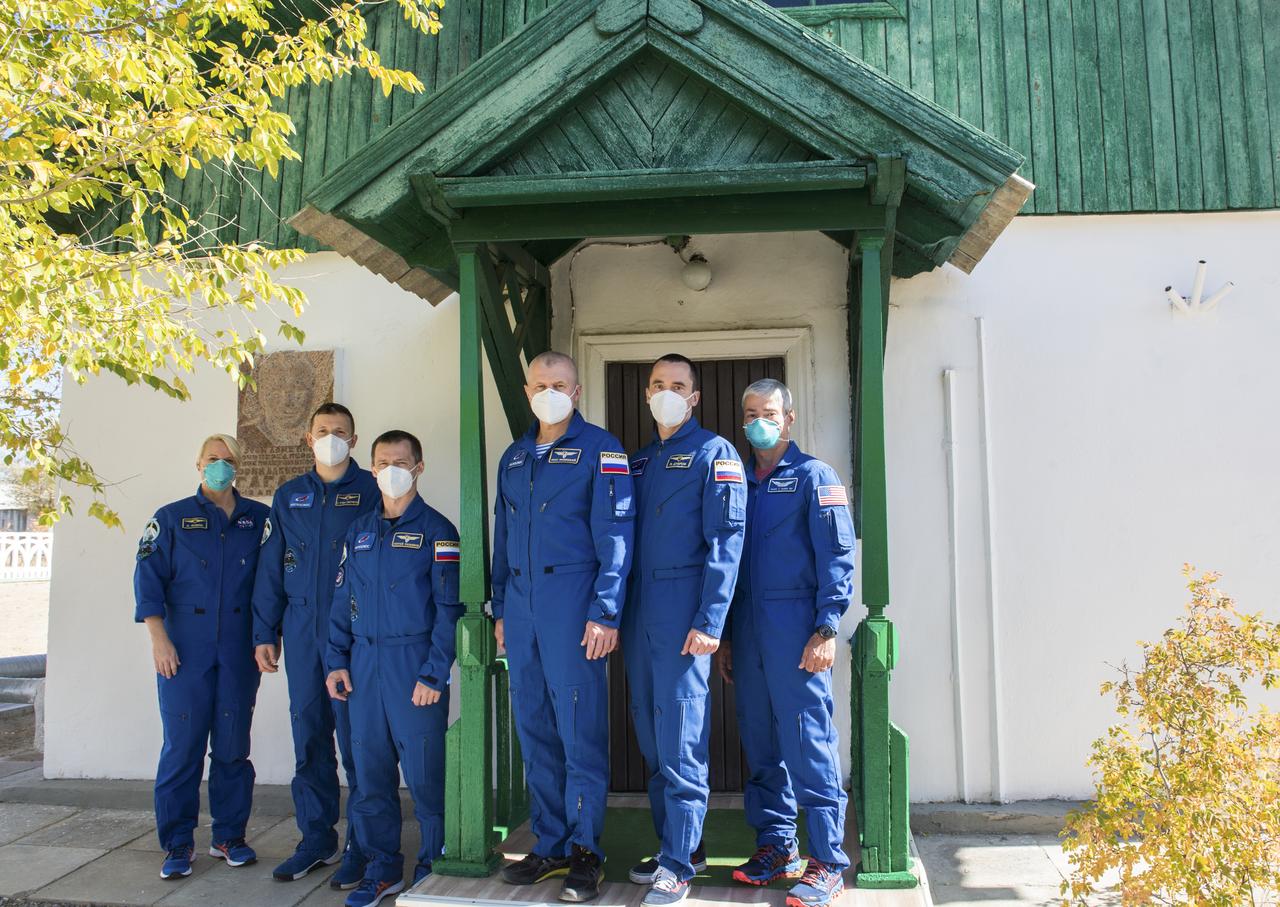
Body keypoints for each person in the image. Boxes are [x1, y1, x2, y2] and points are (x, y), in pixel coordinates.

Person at [491, 351, 635, 903]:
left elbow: (616, 537)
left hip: (575, 605)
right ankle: (550, 842)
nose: (549, 392)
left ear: (576, 393)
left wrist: (605, 611)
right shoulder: (514, 457)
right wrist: (502, 608)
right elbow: (503, 540)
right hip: (523, 608)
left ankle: (584, 851)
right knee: (536, 729)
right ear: (528, 391)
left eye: (559, 384)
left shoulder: (602, 450)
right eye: (540, 384)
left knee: (579, 734)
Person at [717, 379, 854, 907]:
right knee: (760, 742)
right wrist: (728, 638)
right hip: (748, 630)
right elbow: (730, 567)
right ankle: (778, 847)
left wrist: (826, 627)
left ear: (789, 417)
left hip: (798, 629)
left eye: (769, 412)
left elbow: (837, 558)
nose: (759, 421)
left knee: (808, 742)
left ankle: (827, 863)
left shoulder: (815, 478)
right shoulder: (737, 481)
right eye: (751, 412)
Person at [624, 353, 747, 906]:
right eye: (657, 384)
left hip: (683, 621)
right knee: (652, 742)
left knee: (680, 741)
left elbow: (727, 543)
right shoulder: (639, 462)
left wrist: (710, 621)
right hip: (638, 621)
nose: (666, 392)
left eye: (677, 385)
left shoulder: (714, 454)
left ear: (695, 397)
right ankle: (679, 845)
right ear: (646, 394)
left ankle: (679, 864)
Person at [325, 430, 463, 907]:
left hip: (413, 667)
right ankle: (383, 868)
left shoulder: (439, 531)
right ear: (371, 466)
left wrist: (435, 672)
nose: (391, 470)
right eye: (382, 462)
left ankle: (430, 865)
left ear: (418, 467)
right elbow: (344, 600)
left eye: (400, 462)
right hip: (363, 667)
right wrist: (335, 660)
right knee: (370, 775)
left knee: (425, 777)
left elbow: (450, 610)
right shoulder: (359, 531)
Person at [252, 403, 379, 887]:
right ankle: (316, 838)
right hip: (303, 631)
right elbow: (270, 568)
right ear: (308, 439)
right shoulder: (288, 497)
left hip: (353, 631)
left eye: (340, 431)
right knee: (309, 737)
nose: (331, 437)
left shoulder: (372, 489)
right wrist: (265, 632)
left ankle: (363, 845)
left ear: (354, 437)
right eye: (323, 431)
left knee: (358, 742)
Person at [133, 434, 270, 880]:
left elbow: (270, 586)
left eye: (229, 460)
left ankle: (229, 836)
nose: (221, 466)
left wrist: (270, 636)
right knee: (183, 749)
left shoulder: (259, 520)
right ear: (198, 464)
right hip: (183, 651)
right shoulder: (170, 518)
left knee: (232, 748)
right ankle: (177, 843)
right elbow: (148, 581)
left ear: (239, 466)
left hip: (238, 650)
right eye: (213, 459)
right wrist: (159, 639)